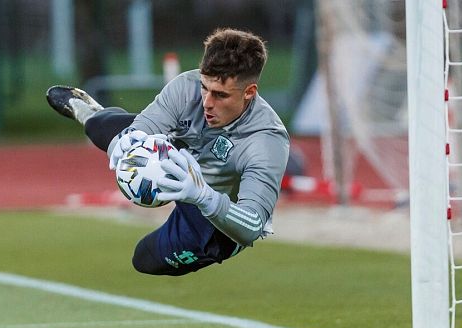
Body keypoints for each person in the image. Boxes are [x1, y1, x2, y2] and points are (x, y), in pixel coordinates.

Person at [46, 28, 289, 276]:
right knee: (104, 129)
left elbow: (253, 224)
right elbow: (145, 126)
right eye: (205, 87)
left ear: (249, 93)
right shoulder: (187, 87)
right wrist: (130, 142)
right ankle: (91, 113)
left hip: (216, 216)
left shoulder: (266, 141)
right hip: (174, 157)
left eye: (220, 95)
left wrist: (204, 197)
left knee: (144, 259)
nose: (206, 101)